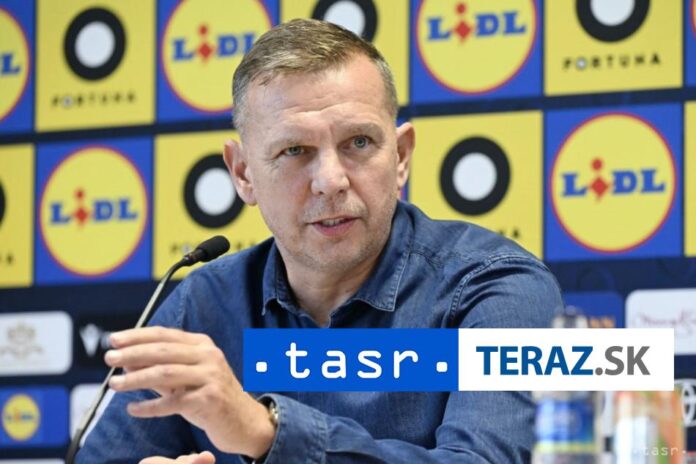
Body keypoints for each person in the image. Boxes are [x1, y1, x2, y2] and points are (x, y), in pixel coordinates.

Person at [76, 18, 562, 464]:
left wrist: (265, 432)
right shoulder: (202, 306)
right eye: (295, 150)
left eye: (359, 143)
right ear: (243, 174)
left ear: (400, 157)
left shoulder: (498, 289)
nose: (331, 180)